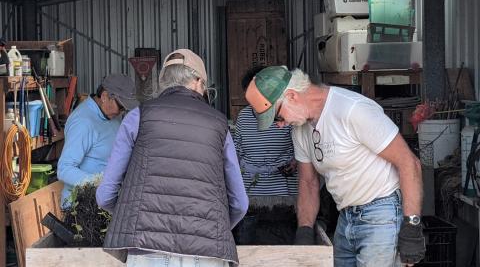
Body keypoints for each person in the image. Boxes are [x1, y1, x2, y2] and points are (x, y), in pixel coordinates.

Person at [245, 66, 425, 266]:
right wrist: (304, 231)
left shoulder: (352, 109)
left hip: (381, 213)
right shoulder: (300, 130)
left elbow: (409, 163)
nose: (280, 124)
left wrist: (412, 226)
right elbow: (308, 182)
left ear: (292, 96)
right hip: (346, 216)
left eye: (277, 117)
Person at [96, 49, 249, 267]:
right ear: (197, 82)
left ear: (163, 83)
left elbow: (104, 195)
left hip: (145, 250)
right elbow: (240, 203)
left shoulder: (137, 117)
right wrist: (211, 228)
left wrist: (135, 215)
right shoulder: (219, 124)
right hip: (206, 253)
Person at [57, 74, 137, 206]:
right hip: (82, 205)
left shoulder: (112, 116)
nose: (122, 112)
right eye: (121, 106)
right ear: (105, 96)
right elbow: (64, 169)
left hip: (104, 199)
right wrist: (98, 182)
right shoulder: (83, 122)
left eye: (124, 108)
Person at [234, 66, 298, 196]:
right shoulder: (243, 116)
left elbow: (301, 148)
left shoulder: (286, 114)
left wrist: (294, 162)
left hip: (282, 186)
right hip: (250, 188)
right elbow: (237, 150)